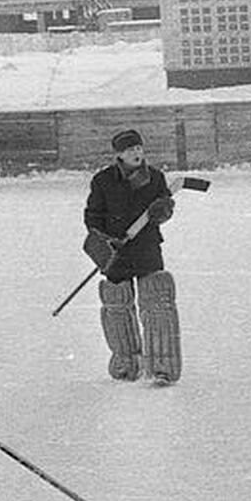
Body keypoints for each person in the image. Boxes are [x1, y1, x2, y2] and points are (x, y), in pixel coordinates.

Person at [83, 129, 180, 385]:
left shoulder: (155, 178)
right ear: (119, 155)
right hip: (116, 252)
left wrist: (163, 211)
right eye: (130, 150)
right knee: (116, 306)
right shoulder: (103, 181)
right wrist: (104, 240)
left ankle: (162, 367)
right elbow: (92, 216)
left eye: (138, 148)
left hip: (146, 247)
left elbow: (166, 208)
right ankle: (127, 363)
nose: (136, 153)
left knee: (158, 304)